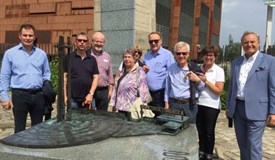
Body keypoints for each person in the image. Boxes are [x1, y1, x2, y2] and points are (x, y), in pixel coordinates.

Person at [226, 31, 275, 160]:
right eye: (246, 42)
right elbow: (232, 87)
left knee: (254, 145)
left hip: (258, 110)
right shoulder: (236, 62)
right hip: (238, 109)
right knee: (243, 145)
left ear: (258, 43)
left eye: (252, 42)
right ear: (242, 45)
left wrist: (273, 111)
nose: (249, 44)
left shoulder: (270, 61)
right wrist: (229, 107)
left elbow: (273, 88)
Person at [0, 24, 51, 133]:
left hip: (38, 95)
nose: (28, 38)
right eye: (25, 35)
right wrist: (4, 97)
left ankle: (36, 149)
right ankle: (19, 149)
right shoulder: (10, 54)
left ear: (34, 37)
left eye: (30, 35)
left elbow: (46, 73)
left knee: (38, 129)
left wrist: (45, 88)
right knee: (19, 129)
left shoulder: (41, 54)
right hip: (19, 95)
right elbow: (4, 76)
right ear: (20, 36)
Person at [196, 45, 225, 160]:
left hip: (211, 105)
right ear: (202, 56)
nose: (208, 57)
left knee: (209, 131)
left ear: (215, 57)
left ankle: (209, 152)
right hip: (199, 103)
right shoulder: (199, 68)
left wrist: (205, 80)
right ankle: (201, 150)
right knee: (200, 130)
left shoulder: (219, 70)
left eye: (211, 55)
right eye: (206, 55)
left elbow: (218, 90)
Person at [164, 41, 205, 123]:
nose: (181, 56)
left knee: (190, 130)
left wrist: (197, 80)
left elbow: (201, 87)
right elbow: (167, 88)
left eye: (184, 53)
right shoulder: (171, 68)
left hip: (189, 105)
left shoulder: (194, 68)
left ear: (188, 54)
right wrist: (166, 103)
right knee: (172, 128)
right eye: (178, 53)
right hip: (173, 104)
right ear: (174, 54)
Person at [64, 32, 99, 109]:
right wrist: (65, 96)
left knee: (89, 121)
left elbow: (96, 77)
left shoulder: (92, 59)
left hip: (88, 98)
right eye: (79, 40)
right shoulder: (69, 58)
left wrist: (91, 93)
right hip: (72, 98)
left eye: (84, 41)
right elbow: (64, 78)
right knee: (73, 121)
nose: (82, 42)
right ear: (76, 42)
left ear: (87, 43)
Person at [109, 49, 149, 115]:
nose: (127, 59)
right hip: (119, 108)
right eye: (125, 57)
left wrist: (141, 107)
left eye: (129, 57)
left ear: (134, 59)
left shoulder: (139, 71)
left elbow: (143, 92)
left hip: (132, 110)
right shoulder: (122, 71)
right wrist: (112, 103)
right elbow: (116, 88)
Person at [143, 31, 175, 112]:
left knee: (160, 119)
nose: (153, 43)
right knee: (148, 118)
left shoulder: (167, 55)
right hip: (149, 94)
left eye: (156, 41)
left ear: (161, 41)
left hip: (161, 94)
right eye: (151, 41)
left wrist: (167, 99)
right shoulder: (146, 55)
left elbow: (172, 76)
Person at [90, 32, 114, 111]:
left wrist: (110, 90)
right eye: (97, 41)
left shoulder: (107, 56)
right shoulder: (87, 55)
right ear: (92, 41)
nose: (99, 44)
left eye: (101, 42)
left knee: (102, 115)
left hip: (104, 91)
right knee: (90, 114)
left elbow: (110, 74)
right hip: (90, 90)